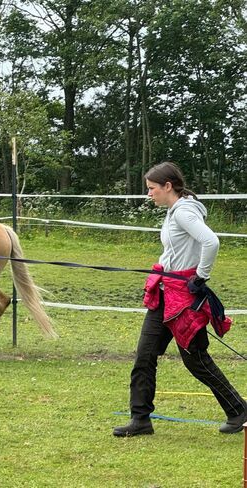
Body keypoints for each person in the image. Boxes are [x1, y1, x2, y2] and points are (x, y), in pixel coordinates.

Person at [113, 161, 246, 437]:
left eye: (152, 189)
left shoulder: (184, 212)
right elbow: (176, 251)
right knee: (145, 355)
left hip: (183, 298)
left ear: (168, 186)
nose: (149, 194)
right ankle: (140, 419)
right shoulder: (175, 210)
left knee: (195, 360)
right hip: (164, 295)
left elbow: (212, 242)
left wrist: (200, 277)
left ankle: (239, 410)